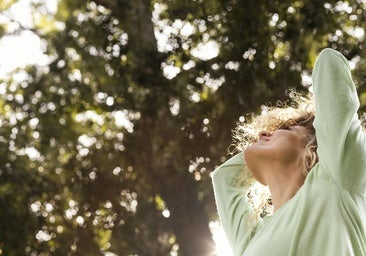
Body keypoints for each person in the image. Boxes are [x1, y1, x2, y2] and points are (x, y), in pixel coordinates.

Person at [212, 48, 366, 255]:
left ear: (314, 146)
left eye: (283, 129)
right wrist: (259, 151)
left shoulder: (336, 178)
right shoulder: (252, 239)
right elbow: (224, 178)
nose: (264, 133)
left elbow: (329, 63)